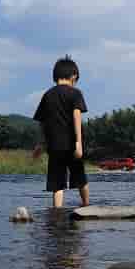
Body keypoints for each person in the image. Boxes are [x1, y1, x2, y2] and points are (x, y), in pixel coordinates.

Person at [32, 56, 90, 208]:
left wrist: (40, 144)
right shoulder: (75, 93)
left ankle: (57, 213)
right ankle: (86, 206)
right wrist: (78, 143)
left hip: (54, 146)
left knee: (57, 183)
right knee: (80, 178)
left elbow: (42, 122)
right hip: (71, 145)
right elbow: (76, 116)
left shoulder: (47, 95)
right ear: (73, 76)